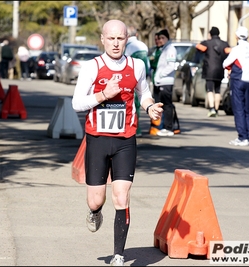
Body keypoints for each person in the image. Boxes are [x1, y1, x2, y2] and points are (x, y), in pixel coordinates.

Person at [71, 19, 163, 266]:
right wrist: (103, 94)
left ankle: (118, 255)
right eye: (110, 38)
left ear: (127, 40)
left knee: (121, 197)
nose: (115, 43)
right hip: (98, 140)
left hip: (125, 140)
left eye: (120, 38)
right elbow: (77, 103)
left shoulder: (137, 65)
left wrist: (151, 106)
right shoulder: (92, 67)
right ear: (102, 39)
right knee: (96, 200)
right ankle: (94, 212)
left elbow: (144, 93)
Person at [222, 26, 249, 147]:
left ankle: (242, 137)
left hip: (238, 80)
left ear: (236, 36)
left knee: (238, 109)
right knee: (247, 109)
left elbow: (225, 63)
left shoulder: (237, 49)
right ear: (247, 36)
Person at [195, 26, 231, 117]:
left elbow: (198, 47)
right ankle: (216, 108)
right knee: (218, 90)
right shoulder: (224, 44)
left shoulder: (207, 43)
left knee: (210, 89)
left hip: (209, 70)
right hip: (220, 70)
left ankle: (211, 109)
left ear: (210, 34)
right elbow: (229, 53)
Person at [124, 26, 151, 137]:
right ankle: (137, 129)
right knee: (140, 103)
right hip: (143, 77)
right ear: (136, 35)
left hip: (131, 78)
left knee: (131, 104)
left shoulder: (128, 47)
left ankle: (133, 128)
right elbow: (147, 63)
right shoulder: (143, 45)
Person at [153, 29, 178, 137]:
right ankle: (162, 126)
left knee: (167, 105)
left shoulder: (170, 49)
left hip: (166, 81)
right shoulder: (164, 49)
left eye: (163, 38)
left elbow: (171, 66)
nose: (161, 40)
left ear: (168, 38)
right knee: (162, 105)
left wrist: (161, 75)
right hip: (160, 81)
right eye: (160, 38)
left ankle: (168, 128)